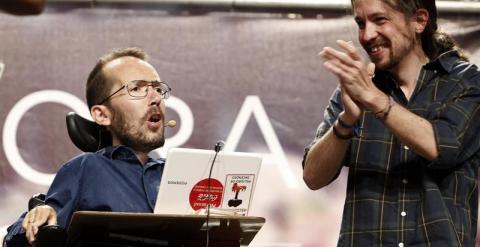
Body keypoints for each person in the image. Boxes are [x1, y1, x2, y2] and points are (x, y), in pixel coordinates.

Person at [302, 0, 480, 246]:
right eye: (361, 23)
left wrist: (376, 101)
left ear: (419, 20)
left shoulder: (466, 82)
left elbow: (441, 147)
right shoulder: (360, 89)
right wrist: (346, 121)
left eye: (379, 20)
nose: (367, 35)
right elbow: (313, 177)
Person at [4, 47, 172, 246]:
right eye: (137, 89)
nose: (156, 98)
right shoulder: (87, 169)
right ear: (102, 115)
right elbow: (18, 240)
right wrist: (36, 217)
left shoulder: (175, 174)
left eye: (158, 89)